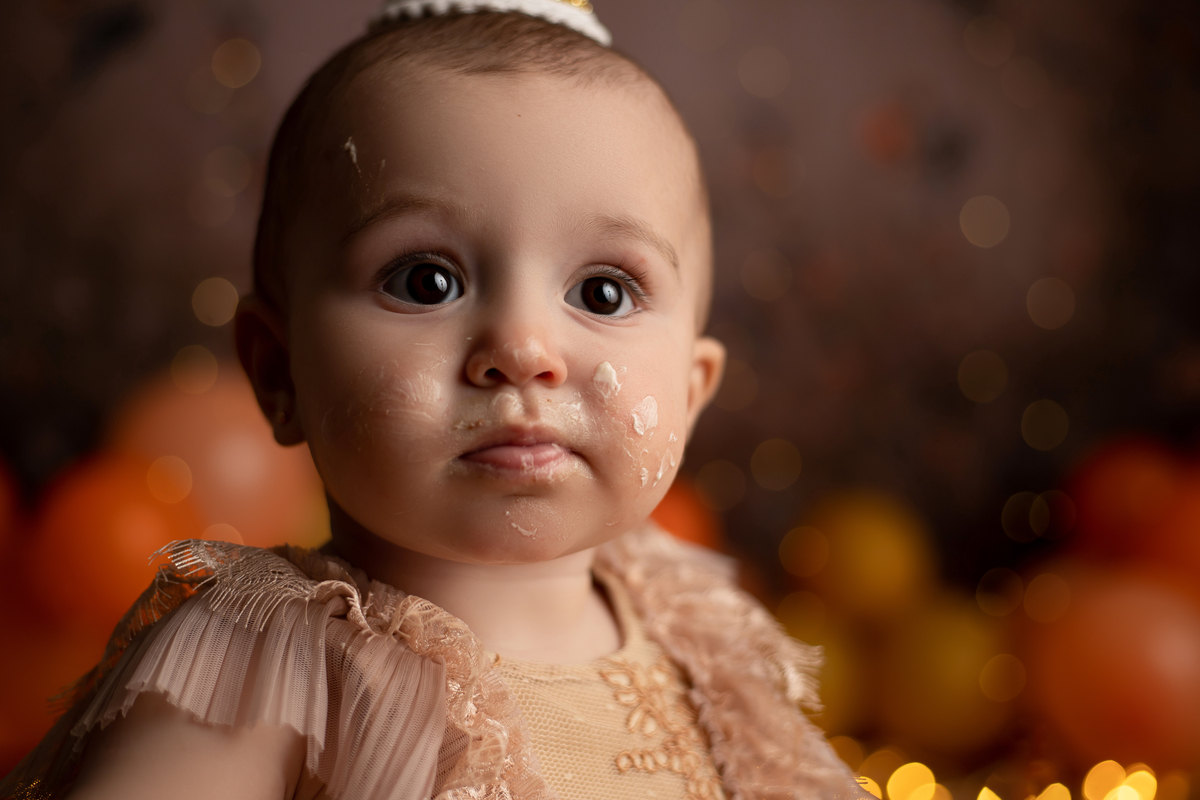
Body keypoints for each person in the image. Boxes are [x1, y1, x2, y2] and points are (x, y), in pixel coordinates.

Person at [2, 1, 870, 798]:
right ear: (279, 373)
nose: (522, 350)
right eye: (426, 281)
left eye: (602, 292)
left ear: (690, 391)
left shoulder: (706, 648)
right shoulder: (270, 668)